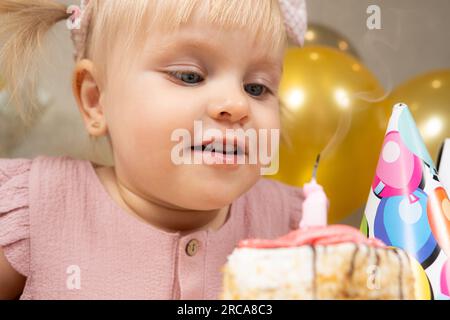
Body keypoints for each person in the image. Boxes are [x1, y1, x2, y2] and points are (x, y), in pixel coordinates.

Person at [0, 0, 307, 299]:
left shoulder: (292, 226)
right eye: (190, 76)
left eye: (256, 88)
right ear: (96, 100)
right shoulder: (41, 210)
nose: (237, 105)